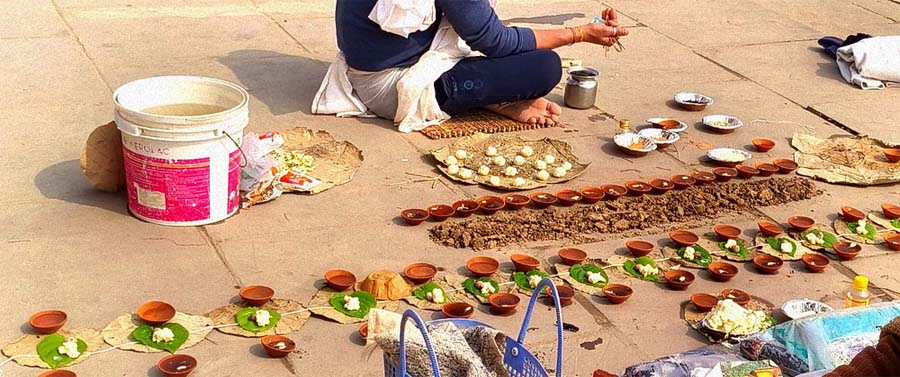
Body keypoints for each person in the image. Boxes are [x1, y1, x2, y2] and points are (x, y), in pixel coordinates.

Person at [330, 0, 628, 128]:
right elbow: (495, 40)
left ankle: (494, 100)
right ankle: (487, 99)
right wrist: (579, 34)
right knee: (545, 67)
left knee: (518, 54)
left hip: (373, 65)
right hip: (392, 89)